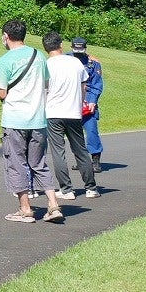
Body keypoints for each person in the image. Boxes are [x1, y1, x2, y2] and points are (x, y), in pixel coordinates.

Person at [0, 19, 63, 223]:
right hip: (38, 119)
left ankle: (25, 209)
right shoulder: (39, 56)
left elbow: (1, 92)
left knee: (16, 163)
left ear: (5, 37)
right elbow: (46, 84)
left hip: (15, 119)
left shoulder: (5, 60)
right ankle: (53, 205)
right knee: (39, 163)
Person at [42, 32, 99, 200]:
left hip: (53, 112)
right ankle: (91, 187)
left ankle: (66, 189)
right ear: (61, 45)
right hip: (74, 112)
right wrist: (80, 103)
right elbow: (84, 87)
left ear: (46, 48)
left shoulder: (46, 65)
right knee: (80, 149)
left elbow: (45, 89)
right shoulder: (75, 62)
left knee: (58, 152)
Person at [71, 37, 105, 172]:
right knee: (74, 133)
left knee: (91, 131)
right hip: (70, 101)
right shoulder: (66, 59)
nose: (78, 52)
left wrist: (92, 100)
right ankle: (81, 161)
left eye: (81, 50)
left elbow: (96, 84)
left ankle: (95, 159)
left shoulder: (93, 63)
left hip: (87, 103)